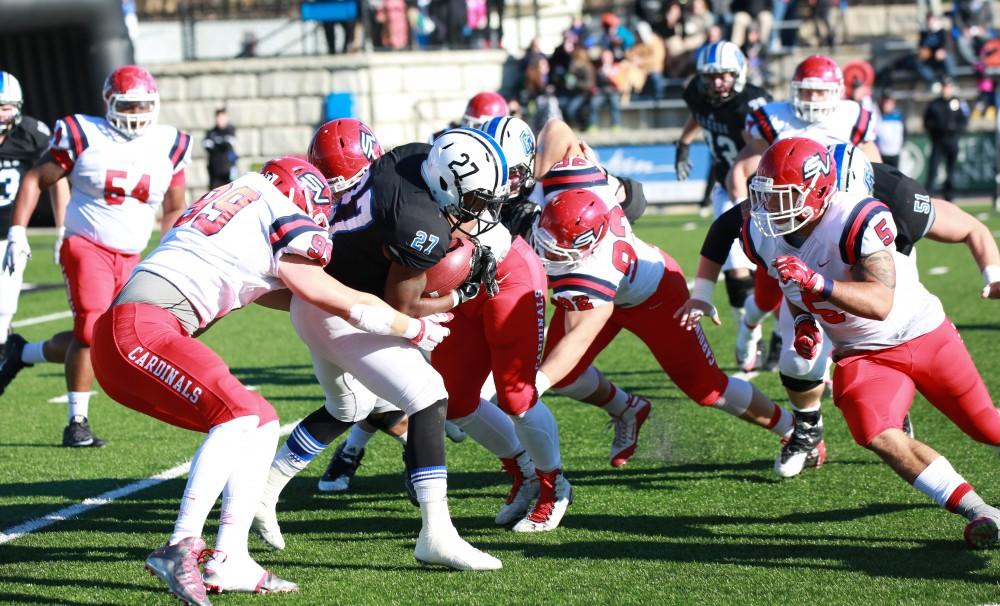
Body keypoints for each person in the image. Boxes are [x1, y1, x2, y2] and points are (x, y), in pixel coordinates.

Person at [90, 155, 453, 603]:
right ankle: (180, 544)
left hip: (132, 332)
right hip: (141, 329)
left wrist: (360, 307)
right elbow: (332, 296)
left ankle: (231, 557)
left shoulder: (238, 199)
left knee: (260, 421)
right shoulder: (279, 209)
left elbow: (287, 293)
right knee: (240, 416)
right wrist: (412, 326)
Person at [252, 126, 506, 570]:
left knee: (348, 407)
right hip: (343, 310)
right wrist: (459, 294)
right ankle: (437, 534)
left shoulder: (413, 158)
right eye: (476, 202)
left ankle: (264, 490)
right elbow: (401, 305)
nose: (479, 213)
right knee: (428, 396)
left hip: (318, 298)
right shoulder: (419, 223)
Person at [678, 142, 1000, 477]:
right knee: (797, 359)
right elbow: (726, 226)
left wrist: (993, 274)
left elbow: (970, 228)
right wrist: (803, 316)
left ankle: (893, 398)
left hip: (886, 303)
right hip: (810, 286)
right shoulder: (784, 205)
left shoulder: (896, 201)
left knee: (980, 422)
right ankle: (807, 429)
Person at [742, 136, 1000, 548]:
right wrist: (807, 323)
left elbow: (880, 302)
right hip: (864, 355)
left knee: (987, 426)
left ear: (820, 190)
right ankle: (979, 510)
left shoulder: (856, 217)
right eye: (766, 196)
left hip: (922, 333)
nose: (771, 208)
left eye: (784, 196)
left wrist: (818, 283)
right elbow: (795, 295)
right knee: (874, 429)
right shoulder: (761, 234)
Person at [0, 65, 191, 447]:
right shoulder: (83, 133)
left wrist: (172, 245)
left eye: (142, 106)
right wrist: (18, 230)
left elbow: (174, 204)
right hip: (86, 243)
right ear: (110, 103)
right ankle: (77, 423)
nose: (136, 114)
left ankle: (23, 352)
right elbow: (38, 178)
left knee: (114, 338)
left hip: (133, 252)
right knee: (89, 330)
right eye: (128, 105)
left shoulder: (171, 143)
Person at [725, 54, 880, 378]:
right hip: (785, 217)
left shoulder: (853, 115)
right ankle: (751, 323)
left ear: (836, 91)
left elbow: (874, 169)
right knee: (769, 296)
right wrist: (746, 214)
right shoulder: (773, 118)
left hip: (834, 215)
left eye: (819, 92)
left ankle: (819, 363)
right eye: (805, 91)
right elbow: (741, 168)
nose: (811, 99)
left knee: (838, 289)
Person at [676, 41, 771, 370]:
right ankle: (751, 337)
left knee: (770, 264)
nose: (717, 83)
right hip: (725, 187)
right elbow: (699, 115)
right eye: (711, 76)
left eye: (725, 75)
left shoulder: (753, 102)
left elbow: (763, 147)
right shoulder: (697, 93)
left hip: (763, 190)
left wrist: (740, 170)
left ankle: (780, 334)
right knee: (734, 266)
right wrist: (684, 141)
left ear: (740, 73)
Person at [0, 70, 68, 353]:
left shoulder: (31, 134)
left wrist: (63, 228)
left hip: (8, 235)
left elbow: (57, 176)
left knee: (4, 305)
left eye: (4, 108)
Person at [923, 78, 968, 202]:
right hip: (938, 140)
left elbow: (964, 121)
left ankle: (950, 197)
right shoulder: (934, 104)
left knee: (951, 170)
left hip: (952, 140)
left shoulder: (958, 103)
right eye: (944, 87)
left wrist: (956, 129)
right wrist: (936, 130)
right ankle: (928, 197)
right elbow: (927, 121)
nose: (946, 90)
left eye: (948, 87)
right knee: (933, 169)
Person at [202, 108, 237, 190]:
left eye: (222, 118)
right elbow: (207, 146)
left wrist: (215, 144)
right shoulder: (211, 132)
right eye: (218, 117)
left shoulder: (231, 130)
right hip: (214, 170)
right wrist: (221, 144)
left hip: (228, 170)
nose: (220, 120)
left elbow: (228, 144)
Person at [875, 92, 904, 168]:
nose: (887, 106)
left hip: (895, 153)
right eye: (886, 103)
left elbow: (903, 134)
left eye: (889, 103)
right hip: (882, 153)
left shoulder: (899, 118)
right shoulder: (877, 117)